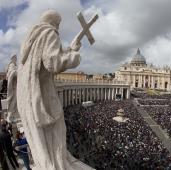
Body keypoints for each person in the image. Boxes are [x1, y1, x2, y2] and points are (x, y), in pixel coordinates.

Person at [16, 10, 93, 170]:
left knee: (39, 138)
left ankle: (46, 164)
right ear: (55, 22)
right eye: (59, 24)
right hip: (43, 95)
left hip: (27, 97)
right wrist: (75, 57)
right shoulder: (49, 32)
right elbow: (53, 62)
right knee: (57, 130)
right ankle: (56, 164)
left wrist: (70, 48)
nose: (58, 27)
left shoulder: (31, 38)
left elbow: (47, 56)